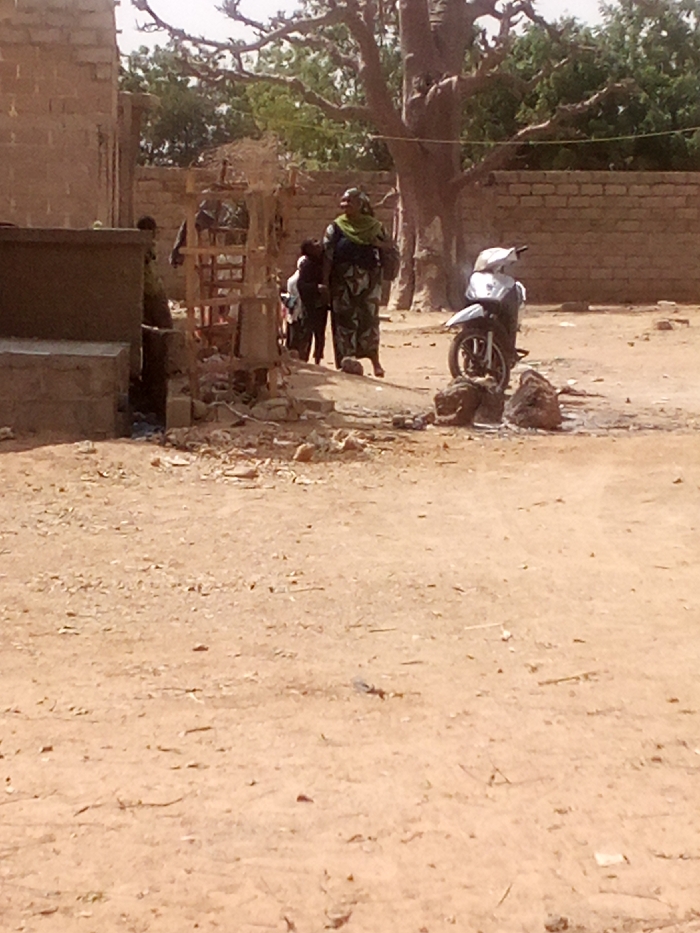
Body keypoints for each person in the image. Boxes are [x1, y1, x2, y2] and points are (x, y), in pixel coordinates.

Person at [323, 187, 388, 377]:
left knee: (369, 320)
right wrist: (325, 282)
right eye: (343, 201)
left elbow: (388, 249)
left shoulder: (376, 227)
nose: (345, 205)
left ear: (361, 204)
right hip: (342, 283)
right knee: (344, 319)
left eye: (349, 201)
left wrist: (379, 246)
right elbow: (327, 255)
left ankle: (374, 360)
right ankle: (347, 360)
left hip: (370, 282)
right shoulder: (336, 227)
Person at [287, 239, 328, 365]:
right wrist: (316, 288)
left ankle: (318, 359)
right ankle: (304, 358)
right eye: (314, 245)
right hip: (309, 305)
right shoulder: (307, 265)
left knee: (320, 334)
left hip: (321, 304)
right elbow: (301, 285)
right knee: (307, 333)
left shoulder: (324, 263)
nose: (318, 246)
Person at [136, 215, 173, 329]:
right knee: (165, 328)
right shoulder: (142, 248)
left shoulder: (147, 247)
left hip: (148, 293)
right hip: (151, 294)